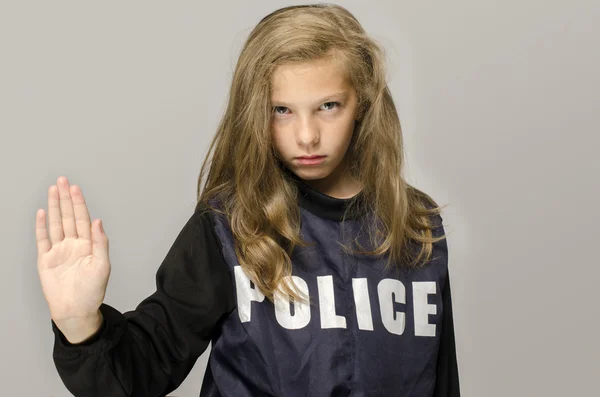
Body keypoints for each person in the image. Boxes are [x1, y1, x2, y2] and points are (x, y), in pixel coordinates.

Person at [36, 3, 460, 397]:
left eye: (328, 106)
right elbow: (145, 365)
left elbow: (441, 381)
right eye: (282, 111)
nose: (307, 135)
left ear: (362, 104)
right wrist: (80, 325)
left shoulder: (417, 226)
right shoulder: (228, 224)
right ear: (255, 112)